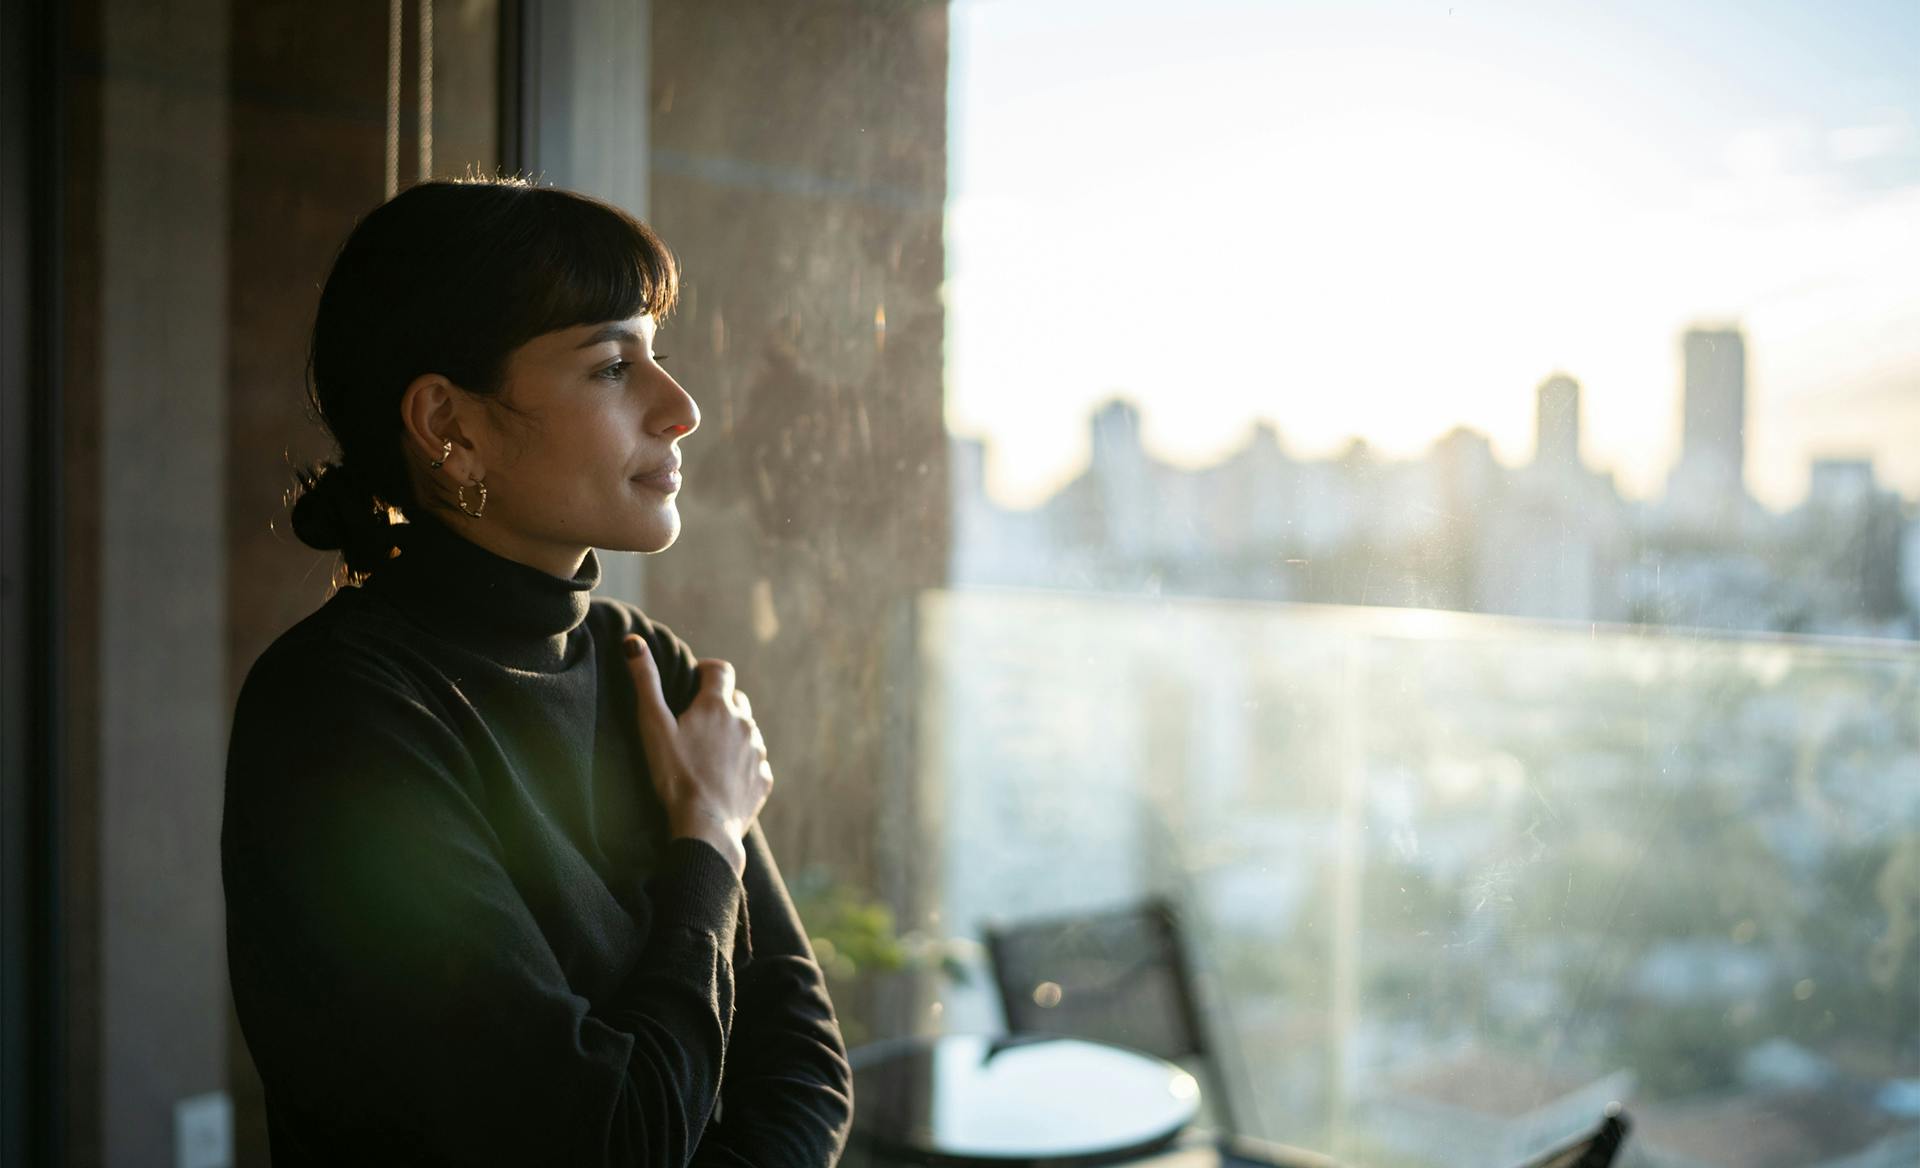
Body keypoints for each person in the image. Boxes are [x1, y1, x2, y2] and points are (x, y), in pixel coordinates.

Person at [221, 178, 853, 1166]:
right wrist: (709, 841)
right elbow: (606, 1144)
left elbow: (807, 1070)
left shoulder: (650, 663)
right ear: (449, 426)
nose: (680, 409)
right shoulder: (339, 715)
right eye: (611, 367)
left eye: (659, 357)